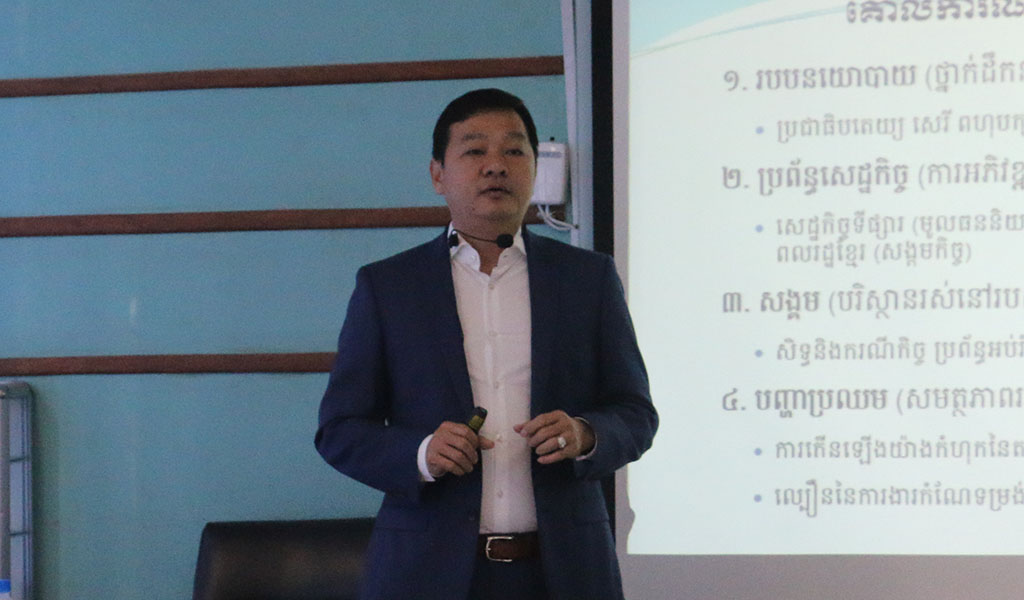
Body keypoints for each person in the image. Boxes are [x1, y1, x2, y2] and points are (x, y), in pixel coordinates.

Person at [315, 88, 657, 600]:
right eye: (475, 150)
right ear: (438, 175)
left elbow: (635, 412)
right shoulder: (389, 287)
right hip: (426, 574)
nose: (496, 165)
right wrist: (422, 453)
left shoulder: (588, 280)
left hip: (564, 573)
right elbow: (340, 430)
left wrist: (585, 434)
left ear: (534, 169)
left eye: (514, 151)